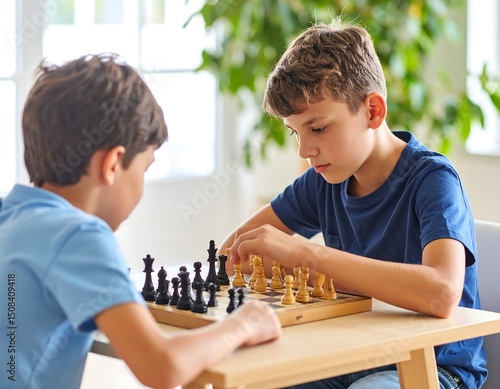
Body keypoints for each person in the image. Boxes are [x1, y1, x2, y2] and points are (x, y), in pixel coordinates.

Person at [219, 18, 486, 389]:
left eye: (319, 128)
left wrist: (305, 256)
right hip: (349, 355)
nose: (304, 150)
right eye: (295, 132)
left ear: (373, 111)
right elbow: (234, 249)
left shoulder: (433, 181)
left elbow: (441, 293)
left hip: (432, 368)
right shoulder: (324, 181)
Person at [0, 53, 281, 389]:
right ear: (113, 164)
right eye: (144, 169)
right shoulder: (80, 235)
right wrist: (244, 323)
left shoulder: (9, 214)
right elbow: (162, 366)